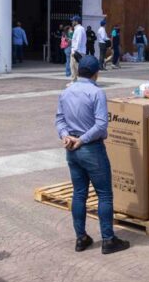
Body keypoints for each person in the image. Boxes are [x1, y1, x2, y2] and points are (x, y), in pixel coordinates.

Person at [55, 55, 130, 255]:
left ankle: (81, 238)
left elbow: (60, 119)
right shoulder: (96, 93)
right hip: (91, 148)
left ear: (79, 71)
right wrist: (82, 139)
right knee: (104, 194)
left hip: (72, 149)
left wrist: (66, 136)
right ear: (96, 73)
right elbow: (100, 125)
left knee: (79, 193)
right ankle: (108, 239)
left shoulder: (66, 91)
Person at [70, 15, 87, 81]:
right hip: (77, 50)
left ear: (76, 22)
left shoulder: (79, 29)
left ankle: (79, 81)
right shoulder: (78, 29)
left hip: (77, 51)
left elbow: (78, 40)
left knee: (77, 67)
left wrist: (74, 51)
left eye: (73, 21)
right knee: (73, 67)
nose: (72, 22)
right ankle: (74, 81)